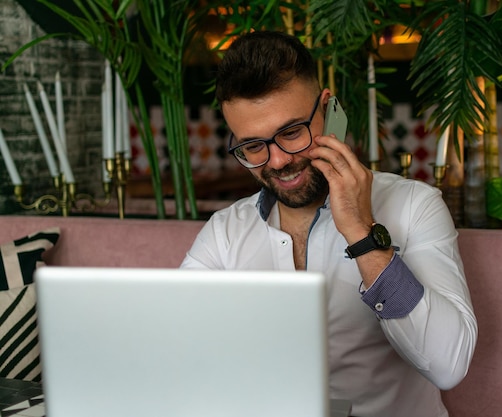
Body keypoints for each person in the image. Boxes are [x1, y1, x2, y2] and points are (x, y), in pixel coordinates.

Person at [181, 30, 477, 417]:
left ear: (329, 109)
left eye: (291, 133)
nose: (277, 161)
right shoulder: (224, 234)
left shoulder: (414, 205)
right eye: (253, 146)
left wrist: (362, 232)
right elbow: (182, 358)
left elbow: (448, 365)